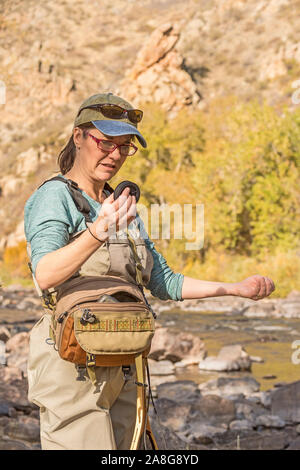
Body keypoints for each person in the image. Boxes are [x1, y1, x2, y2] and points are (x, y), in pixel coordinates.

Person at [24, 92, 275, 450]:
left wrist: (235, 288)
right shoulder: (55, 197)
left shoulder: (121, 207)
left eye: (125, 147)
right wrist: (98, 231)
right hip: (73, 366)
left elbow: (165, 282)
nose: (115, 155)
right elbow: (45, 274)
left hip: (127, 366)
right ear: (78, 136)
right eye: (106, 143)